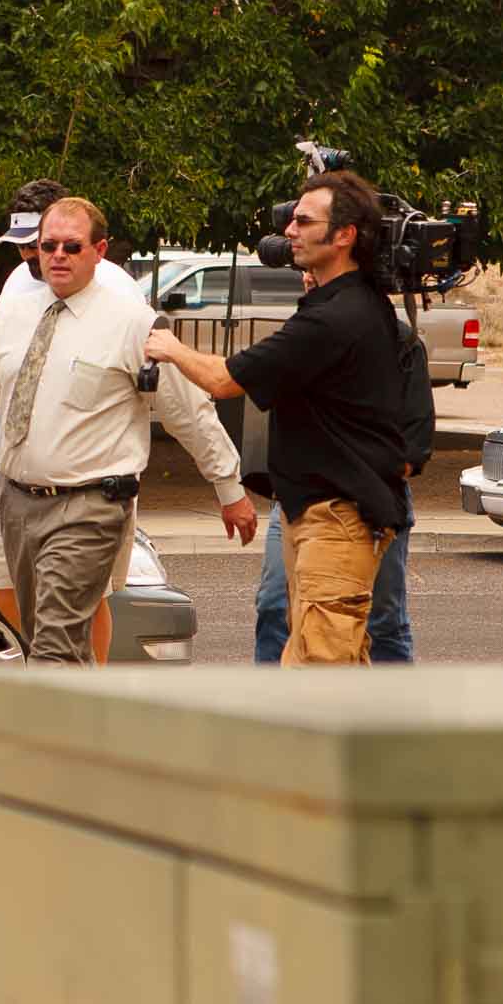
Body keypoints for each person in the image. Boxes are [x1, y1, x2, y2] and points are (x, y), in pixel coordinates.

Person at [0, 197, 257, 664]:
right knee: (46, 638)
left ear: (99, 250)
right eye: (47, 245)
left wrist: (228, 486)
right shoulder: (11, 314)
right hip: (15, 498)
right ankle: (87, 719)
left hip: (90, 505)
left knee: (54, 645)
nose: (57, 255)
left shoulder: (132, 321)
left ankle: (44, 733)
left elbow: (188, 411)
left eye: (71, 246)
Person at [147, 170, 407, 665]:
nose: (289, 229)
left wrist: (171, 348)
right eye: (292, 219)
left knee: (321, 670)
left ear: (345, 235)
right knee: (332, 658)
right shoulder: (348, 303)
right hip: (314, 513)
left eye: (305, 221)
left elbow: (224, 380)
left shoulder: (336, 317)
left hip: (337, 520)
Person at [0, 178, 146, 660]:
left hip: (88, 484)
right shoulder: (18, 285)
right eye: (27, 246)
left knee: (81, 600)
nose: (35, 255)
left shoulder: (114, 290)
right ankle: (62, 662)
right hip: (11, 472)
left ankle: (74, 675)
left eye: (47, 243)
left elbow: (157, 388)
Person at [252, 270, 433, 663]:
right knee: (274, 605)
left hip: (370, 506)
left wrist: (359, 477)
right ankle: (267, 711)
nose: (309, 277)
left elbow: (414, 446)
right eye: (304, 268)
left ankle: (393, 718)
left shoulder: (397, 341)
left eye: (320, 267)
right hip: (297, 501)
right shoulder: (300, 339)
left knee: (382, 619)